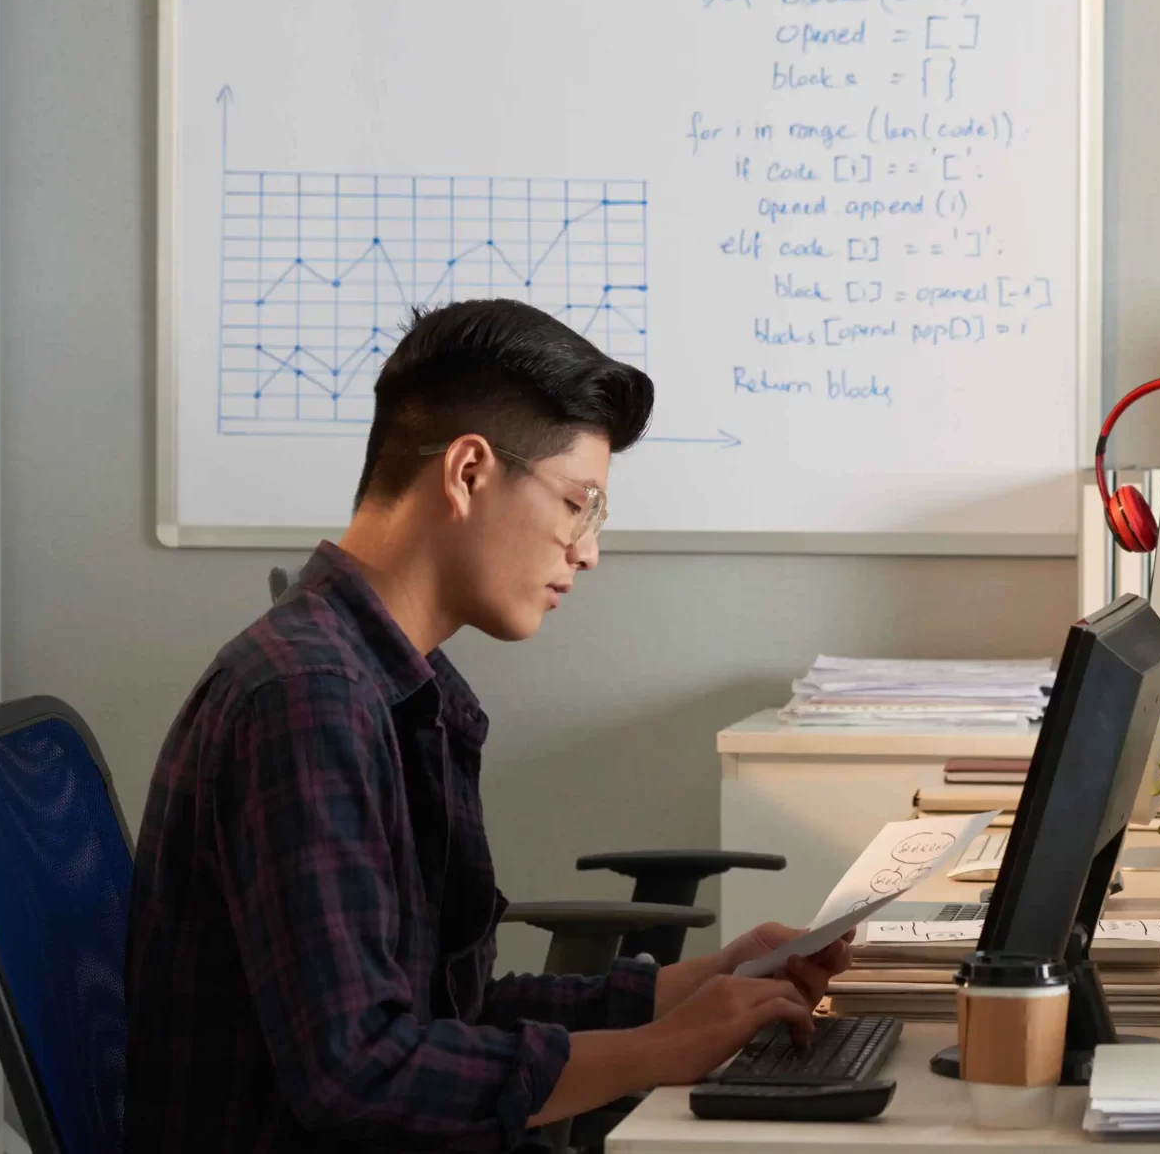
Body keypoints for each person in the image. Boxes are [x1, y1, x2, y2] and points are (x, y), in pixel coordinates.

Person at [127, 299, 848, 1149]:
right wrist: (658, 1050)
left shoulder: (395, 682)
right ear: (468, 472)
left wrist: (701, 983)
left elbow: (444, 1011)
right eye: (579, 503)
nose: (587, 550)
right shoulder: (307, 698)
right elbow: (358, 1071)